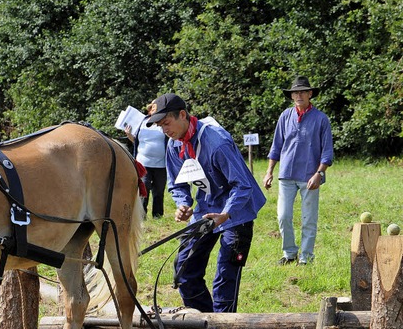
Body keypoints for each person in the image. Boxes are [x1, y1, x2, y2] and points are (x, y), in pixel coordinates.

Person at [147, 93, 266, 312]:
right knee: (184, 269)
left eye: (166, 123)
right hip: (205, 209)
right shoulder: (174, 145)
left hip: (236, 211)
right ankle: (202, 321)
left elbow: (242, 185)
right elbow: (176, 183)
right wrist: (182, 204)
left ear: (182, 115)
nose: (164, 130)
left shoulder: (216, 142)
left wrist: (225, 214)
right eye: (160, 126)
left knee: (225, 276)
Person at [262, 76, 333, 266]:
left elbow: (327, 151)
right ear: (292, 96)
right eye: (295, 92)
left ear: (310, 94)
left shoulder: (321, 119)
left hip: (311, 176)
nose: (298, 95)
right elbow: (276, 146)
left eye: (302, 91)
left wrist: (319, 173)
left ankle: (306, 257)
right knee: (283, 216)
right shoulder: (285, 116)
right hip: (286, 175)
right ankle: (289, 253)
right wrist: (269, 171)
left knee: (309, 219)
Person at [124, 102, 167, 218]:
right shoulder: (141, 123)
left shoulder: (164, 122)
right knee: (144, 189)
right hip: (144, 162)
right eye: (152, 109)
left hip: (161, 164)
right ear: (149, 110)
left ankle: (158, 215)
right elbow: (137, 142)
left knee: (159, 191)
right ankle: (142, 215)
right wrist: (129, 135)